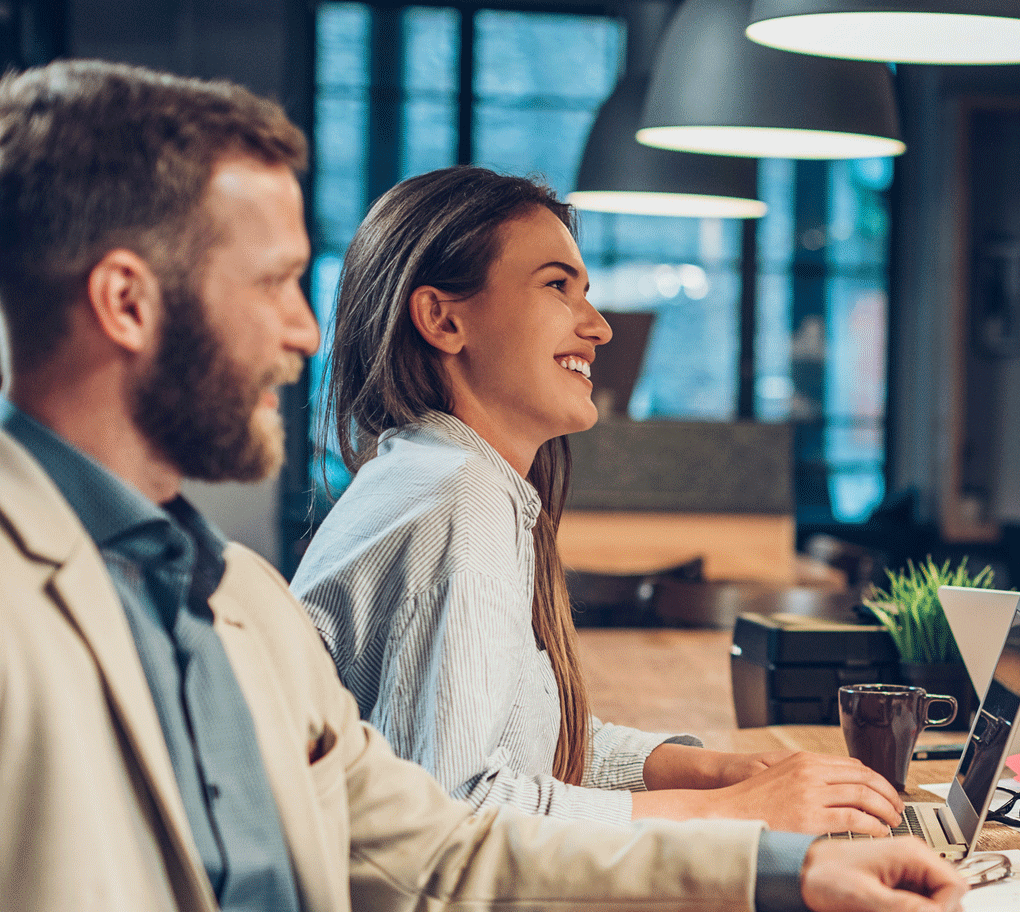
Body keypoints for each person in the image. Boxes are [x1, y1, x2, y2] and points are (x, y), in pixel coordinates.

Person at [0, 58, 961, 911]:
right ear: (126, 301)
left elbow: (435, 846)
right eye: (273, 284)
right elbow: (460, 802)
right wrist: (740, 813)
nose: (303, 333)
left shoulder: (230, 594)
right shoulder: (22, 603)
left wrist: (779, 868)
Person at [291, 165, 903, 835]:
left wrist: (719, 772)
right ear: (442, 319)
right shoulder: (457, 500)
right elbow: (456, 815)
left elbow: (531, 739)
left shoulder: (439, 474)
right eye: (558, 286)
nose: (600, 327)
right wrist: (727, 810)